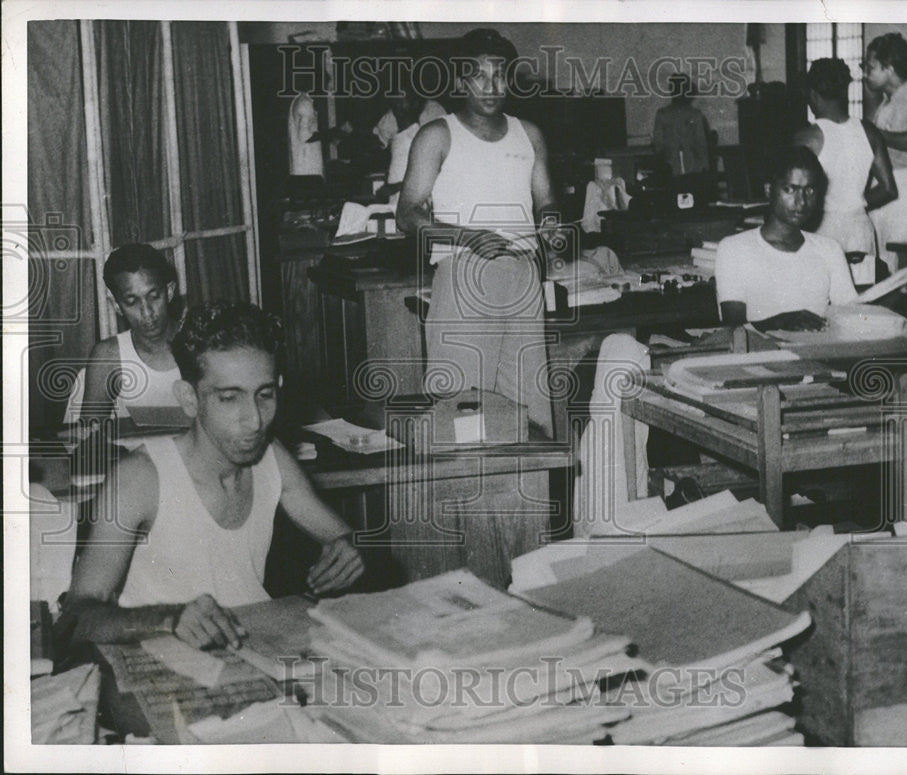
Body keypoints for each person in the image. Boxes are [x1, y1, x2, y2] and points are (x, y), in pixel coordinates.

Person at [59, 301, 364, 650]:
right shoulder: (140, 479)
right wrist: (168, 619)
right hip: (158, 666)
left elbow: (344, 536)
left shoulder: (272, 457)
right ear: (189, 399)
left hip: (251, 653)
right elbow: (74, 619)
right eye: (229, 398)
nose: (254, 420)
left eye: (265, 395)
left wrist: (352, 548)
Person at [397, 28, 561, 438]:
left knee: (529, 401)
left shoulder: (531, 134)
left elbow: (546, 200)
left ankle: (530, 494)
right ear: (459, 81)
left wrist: (552, 223)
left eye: (500, 75)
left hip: (524, 277)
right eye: (479, 75)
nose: (492, 86)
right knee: (462, 405)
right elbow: (407, 214)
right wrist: (464, 236)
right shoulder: (437, 135)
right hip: (465, 274)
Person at [715, 147, 858, 332]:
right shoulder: (734, 249)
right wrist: (779, 322)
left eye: (810, 190)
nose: (802, 201)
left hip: (819, 352)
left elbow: (852, 316)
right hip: (762, 356)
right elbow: (733, 328)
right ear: (769, 190)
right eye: (790, 189)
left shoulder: (829, 249)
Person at [794, 58, 897, 260]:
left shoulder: (806, 138)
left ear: (812, 95)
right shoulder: (869, 132)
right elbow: (888, 188)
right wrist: (854, 203)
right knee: (864, 288)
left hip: (823, 229)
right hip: (860, 227)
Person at [81, 244, 182, 420]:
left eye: (153, 296)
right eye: (132, 301)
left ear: (170, 292)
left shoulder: (201, 342)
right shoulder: (109, 356)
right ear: (117, 306)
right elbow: (90, 438)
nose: (147, 312)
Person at [862, 32, 907, 273]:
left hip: (906, 188)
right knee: (883, 262)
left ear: (889, 67)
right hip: (887, 186)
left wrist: (874, 134)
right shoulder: (888, 101)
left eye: (869, 67)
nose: (865, 73)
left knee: (903, 270)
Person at [651, 73, 712, 177]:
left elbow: (658, 145)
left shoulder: (663, 114)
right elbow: (701, 144)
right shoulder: (695, 114)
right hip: (692, 169)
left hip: (672, 170)